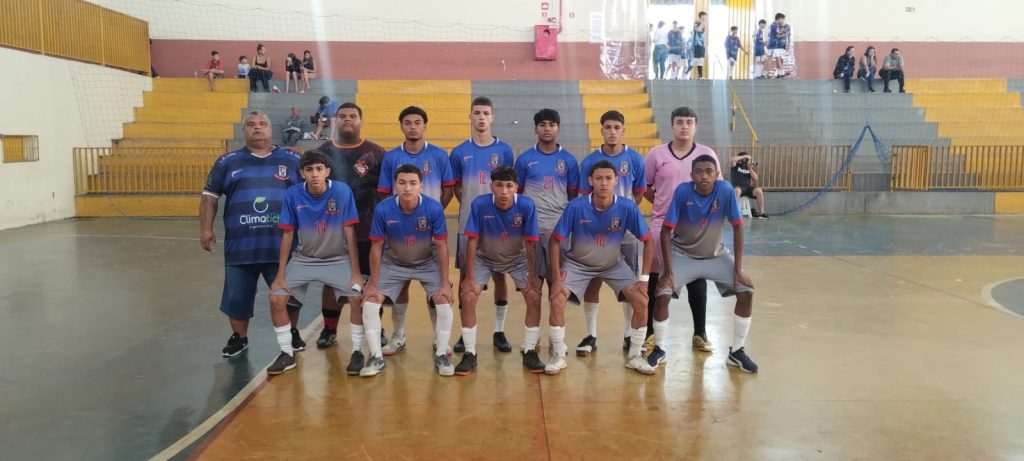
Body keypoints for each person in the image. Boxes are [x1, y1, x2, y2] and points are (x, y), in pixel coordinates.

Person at [200, 110, 302, 358]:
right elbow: (209, 197)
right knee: (237, 297)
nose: (257, 127)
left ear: (271, 129)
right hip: (240, 247)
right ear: (243, 130)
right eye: (251, 124)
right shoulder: (227, 161)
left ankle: (292, 332)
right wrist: (206, 228)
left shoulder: (292, 159)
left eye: (262, 123)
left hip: (281, 245)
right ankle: (239, 338)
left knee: (288, 295)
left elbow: (307, 196)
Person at [547, 160, 656, 376]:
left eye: (608, 178)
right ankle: (558, 355)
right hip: (578, 264)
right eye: (599, 178)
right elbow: (554, 241)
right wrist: (557, 280)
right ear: (590, 181)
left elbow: (649, 240)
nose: (603, 183)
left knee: (642, 301)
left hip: (613, 265)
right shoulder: (576, 206)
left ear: (616, 180)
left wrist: (644, 281)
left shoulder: (627, 207)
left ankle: (635, 356)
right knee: (557, 298)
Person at [657, 154, 759, 374]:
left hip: (715, 256)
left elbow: (738, 227)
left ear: (716, 174)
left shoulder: (725, 190)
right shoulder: (683, 191)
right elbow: (665, 231)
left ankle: (737, 351)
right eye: (699, 172)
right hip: (682, 254)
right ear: (692, 175)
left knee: (746, 290)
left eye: (709, 171)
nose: (704, 176)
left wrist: (738, 269)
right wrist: (668, 272)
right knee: (662, 292)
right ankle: (659, 349)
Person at [267, 151, 362, 375]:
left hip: (337, 259)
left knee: (357, 297)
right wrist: (280, 275)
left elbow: (349, 231)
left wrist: (357, 273)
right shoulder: (293, 194)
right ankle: (286, 353)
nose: (315, 174)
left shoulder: (342, 191)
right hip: (304, 259)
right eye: (309, 170)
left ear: (327, 171)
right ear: (302, 174)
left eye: (319, 169)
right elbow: (288, 234)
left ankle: (358, 351)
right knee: (276, 298)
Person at [360, 164, 454, 377]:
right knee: (370, 302)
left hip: (427, 262)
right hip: (394, 263)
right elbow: (376, 247)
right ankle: (376, 357)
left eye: (413, 183)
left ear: (421, 185)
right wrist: (372, 283)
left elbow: (442, 246)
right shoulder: (383, 209)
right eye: (402, 183)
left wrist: (444, 283)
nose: (407, 188)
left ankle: (441, 353)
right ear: (395, 185)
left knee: (443, 300)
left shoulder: (433, 208)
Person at [377, 106, 456, 356]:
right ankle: (399, 335)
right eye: (408, 123)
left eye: (417, 122)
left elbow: (448, 189)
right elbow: (383, 193)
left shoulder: (439, 155)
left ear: (425, 125)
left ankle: (438, 338)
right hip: (398, 234)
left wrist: (431, 216)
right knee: (400, 284)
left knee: (435, 288)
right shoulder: (391, 157)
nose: (413, 127)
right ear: (401, 126)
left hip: (429, 233)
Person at [643, 106, 718, 367]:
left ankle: (700, 332)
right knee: (656, 279)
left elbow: (716, 186)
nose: (684, 126)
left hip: (695, 228)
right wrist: (663, 204)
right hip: (661, 224)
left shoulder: (707, 154)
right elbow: (646, 187)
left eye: (689, 122)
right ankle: (650, 332)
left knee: (697, 278)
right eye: (679, 122)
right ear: (672, 126)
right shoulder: (656, 154)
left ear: (696, 126)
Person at [314, 102, 388, 361]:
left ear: (361, 121)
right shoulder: (323, 153)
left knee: (371, 281)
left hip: (367, 229)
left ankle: (376, 328)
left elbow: (386, 192)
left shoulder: (377, 153)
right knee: (330, 282)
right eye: (342, 116)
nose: (347, 120)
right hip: (333, 230)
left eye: (353, 116)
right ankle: (329, 329)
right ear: (335, 120)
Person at [457, 166, 543, 375]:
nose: (504, 191)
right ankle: (469, 353)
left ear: (516, 187)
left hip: (517, 259)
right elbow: (472, 240)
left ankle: (530, 350)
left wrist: (533, 276)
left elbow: (531, 243)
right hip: (484, 258)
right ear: (491, 186)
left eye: (509, 186)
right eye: (499, 185)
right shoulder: (479, 204)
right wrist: (469, 277)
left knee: (534, 295)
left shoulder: (526, 205)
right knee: (468, 297)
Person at [574, 110, 647, 356]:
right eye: (608, 127)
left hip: (625, 233)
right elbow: (584, 197)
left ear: (623, 130)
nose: (612, 131)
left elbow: (639, 193)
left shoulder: (635, 159)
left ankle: (628, 334)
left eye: (617, 127)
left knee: (628, 284)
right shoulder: (589, 162)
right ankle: (591, 335)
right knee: (592, 282)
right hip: (595, 234)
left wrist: (622, 215)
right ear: (602, 130)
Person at [449, 97, 516, 354]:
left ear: (492, 117)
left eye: (486, 113)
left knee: (500, 274)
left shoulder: (505, 150)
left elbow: (509, 187)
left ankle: (499, 330)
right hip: (469, 223)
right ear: (470, 116)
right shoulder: (459, 152)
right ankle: (465, 332)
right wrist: (474, 208)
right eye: (477, 112)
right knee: (466, 278)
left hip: (499, 226)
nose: (481, 117)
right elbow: (457, 187)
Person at [513, 109, 579, 303]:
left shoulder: (569, 160)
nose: (547, 129)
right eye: (542, 125)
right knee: (533, 285)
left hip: (557, 230)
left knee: (556, 285)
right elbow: (517, 193)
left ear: (558, 128)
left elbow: (572, 194)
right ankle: (533, 325)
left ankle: (555, 323)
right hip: (531, 229)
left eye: (551, 124)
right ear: (536, 129)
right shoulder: (524, 159)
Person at [730, 152, 769, 219]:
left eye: (746, 159)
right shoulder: (735, 165)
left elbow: (755, 178)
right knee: (737, 190)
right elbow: (731, 160)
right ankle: (733, 212)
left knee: (759, 190)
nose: (745, 160)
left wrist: (750, 169)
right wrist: (744, 156)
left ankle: (761, 213)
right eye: (744, 159)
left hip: (747, 188)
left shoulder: (747, 167)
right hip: (737, 187)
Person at [768, 13, 791, 78]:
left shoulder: (787, 26)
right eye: (782, 19)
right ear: (779, 19)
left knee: (781, 59)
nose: (783, 20)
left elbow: (788, 35)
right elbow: (777, 35)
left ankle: (780, 73)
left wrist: (788, 44)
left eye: (783, 19)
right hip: (775, 45)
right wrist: (785, 34)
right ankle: (781, 72)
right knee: (777, 59)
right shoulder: (775, 25)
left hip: (782, 45)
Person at [692, 12, 707, 79]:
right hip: (696, 44)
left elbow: (703, 36)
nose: (705, 17)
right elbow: (697, 29)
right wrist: (702, 23)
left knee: (701, 60)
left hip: (701, 45)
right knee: (696, 60)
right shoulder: (697, 23)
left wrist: (705, 47)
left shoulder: (703, 25)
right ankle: (686, 73)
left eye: (706, 16)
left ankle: (700, 76)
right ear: (701, 16)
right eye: (704, 16)